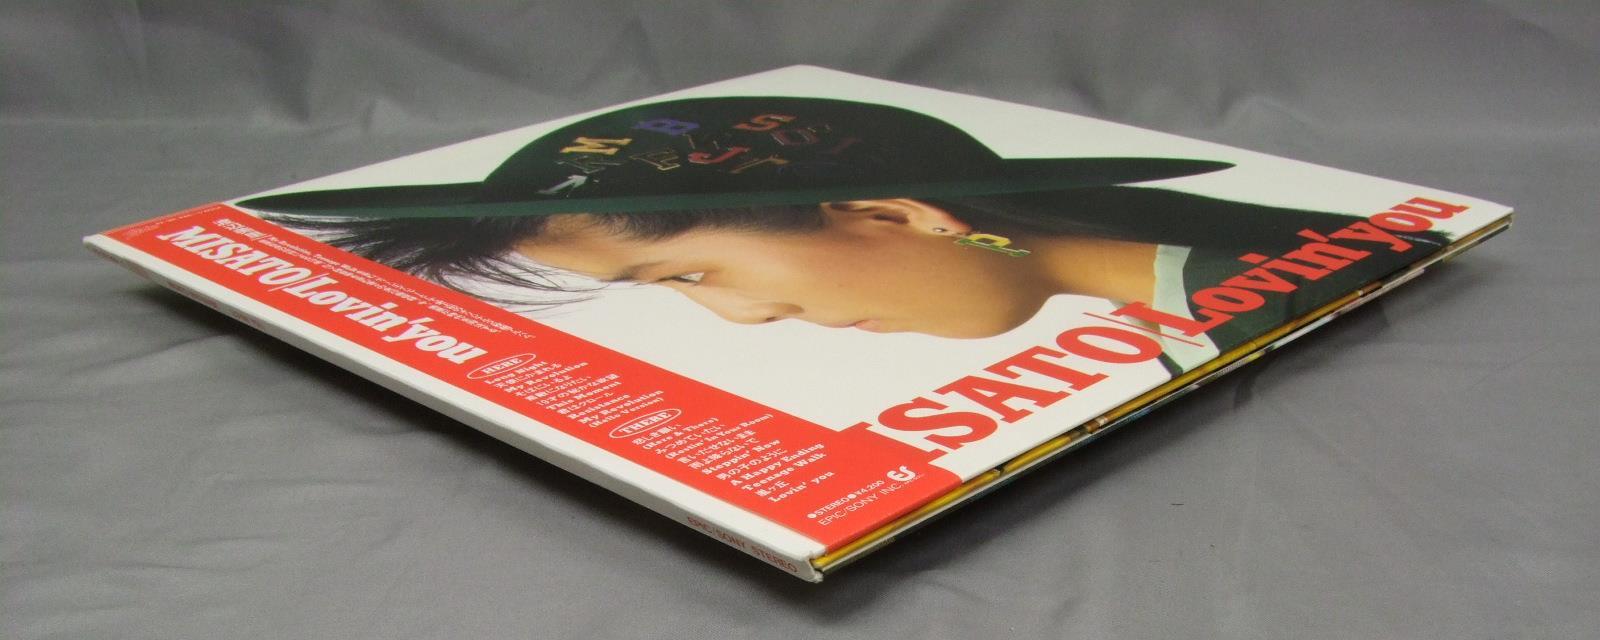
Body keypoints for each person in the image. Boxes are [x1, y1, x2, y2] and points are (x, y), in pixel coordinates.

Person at [240, 94, 1444, 374]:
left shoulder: (1273, 289)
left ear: (892, 214)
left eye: (690, 269)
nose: (744, 315)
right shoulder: (1191, 297)